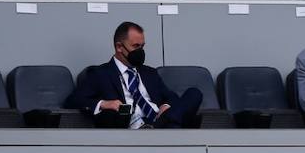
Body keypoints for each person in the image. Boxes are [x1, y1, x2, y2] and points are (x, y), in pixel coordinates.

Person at [70, 22, 204, 128]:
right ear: (119, 47)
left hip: (159, 120)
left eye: (142, 46)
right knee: (174, 126)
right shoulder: (100, 73)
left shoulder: (150, 73)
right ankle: (168, 128)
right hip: (130, 127)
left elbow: (172, 97)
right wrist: (104, 103)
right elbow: (73, 100)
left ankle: (163, 126)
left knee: (194, 93)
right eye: (135, 46)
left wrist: (166, 106)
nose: (140, 51)